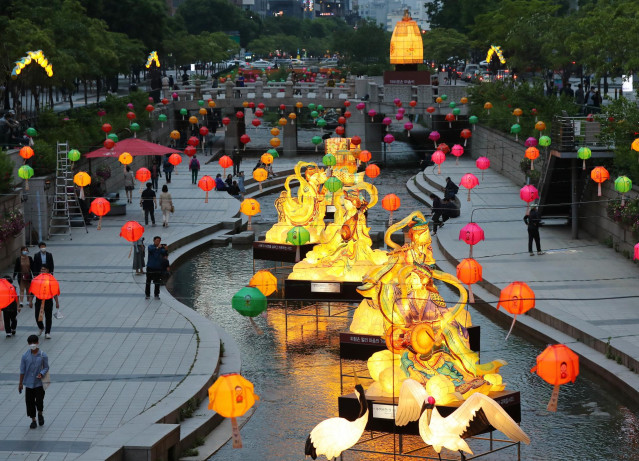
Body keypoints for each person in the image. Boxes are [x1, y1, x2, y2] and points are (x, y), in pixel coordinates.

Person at [19, 334, 49, 429]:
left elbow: (46, 367)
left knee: (39, 400)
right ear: (28, 344)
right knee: (29, 402)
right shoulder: (25, 356)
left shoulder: (43, 355)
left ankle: (40, 413)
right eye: (30, 343)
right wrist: (20, 383)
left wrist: (42, 373)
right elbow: (22, 370)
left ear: (37, 343)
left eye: (34, 343)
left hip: (39, 383)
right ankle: (33, 420)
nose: (32, 344)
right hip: (29, 383)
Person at [33, 268, 59, 339]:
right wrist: (30, 300)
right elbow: (33, 290)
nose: (42, 271)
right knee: (37, 316)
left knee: (48, 317)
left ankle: (47, 332)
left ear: (48, 271)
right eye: (41, 270)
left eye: (44, 270)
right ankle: (41, 327)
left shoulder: (51, 280)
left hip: (48, 301)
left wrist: (57, 302)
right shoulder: (37, 280)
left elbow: (54, 292)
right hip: (39, 301)